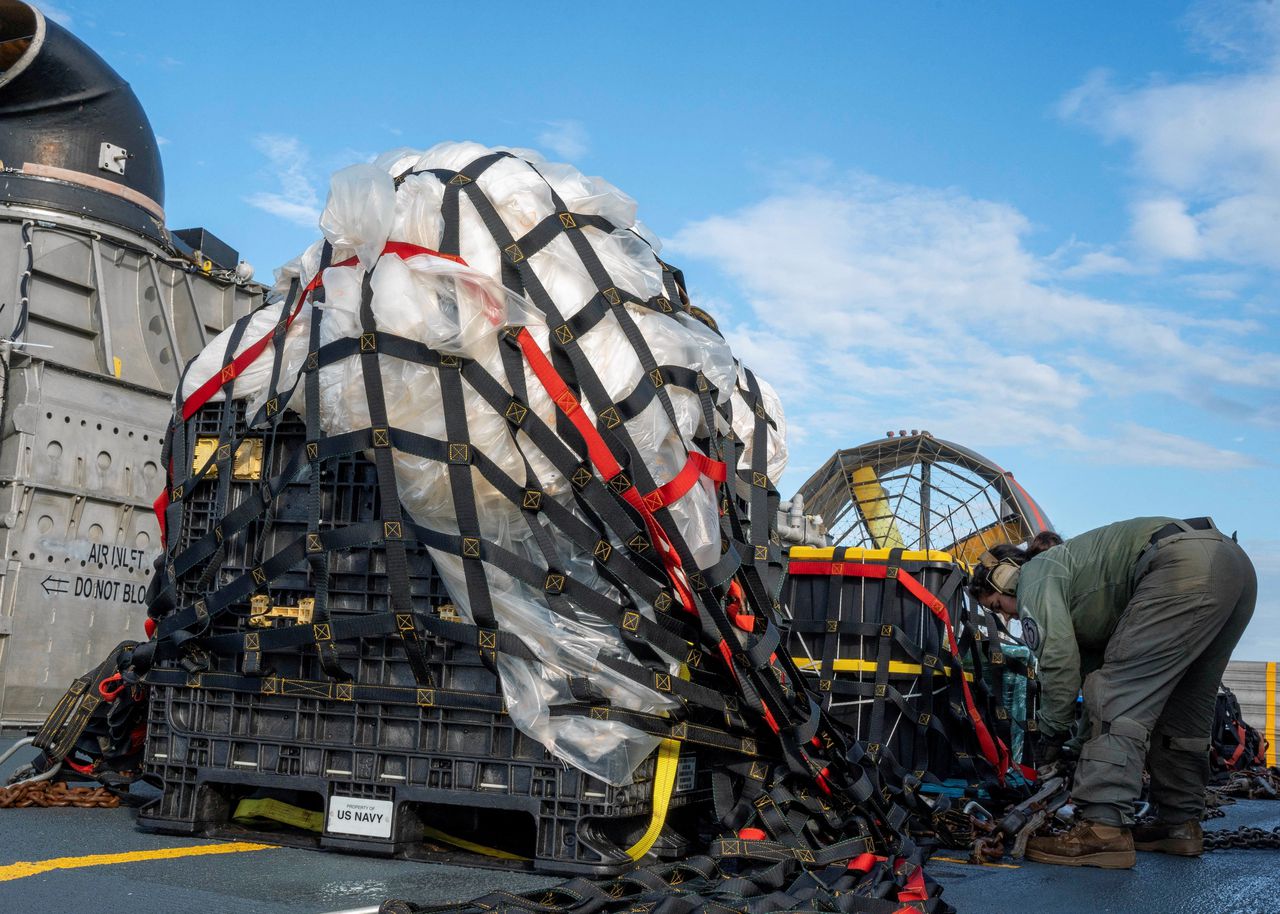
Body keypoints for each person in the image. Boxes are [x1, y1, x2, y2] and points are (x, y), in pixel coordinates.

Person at [969, 517, 1256, 868]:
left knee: (1117, 693)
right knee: (1183, 707)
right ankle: (1179, 825)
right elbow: (1093, 678)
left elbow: (1060, 666)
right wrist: (1076, 746)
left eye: (999, 607)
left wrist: (1050, 734)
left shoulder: (1036, 575)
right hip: (1234, 567)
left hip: (1180, 568)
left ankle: (1103, 831)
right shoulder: (1085, 599)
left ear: (1005, 578)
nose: (1010, 619)